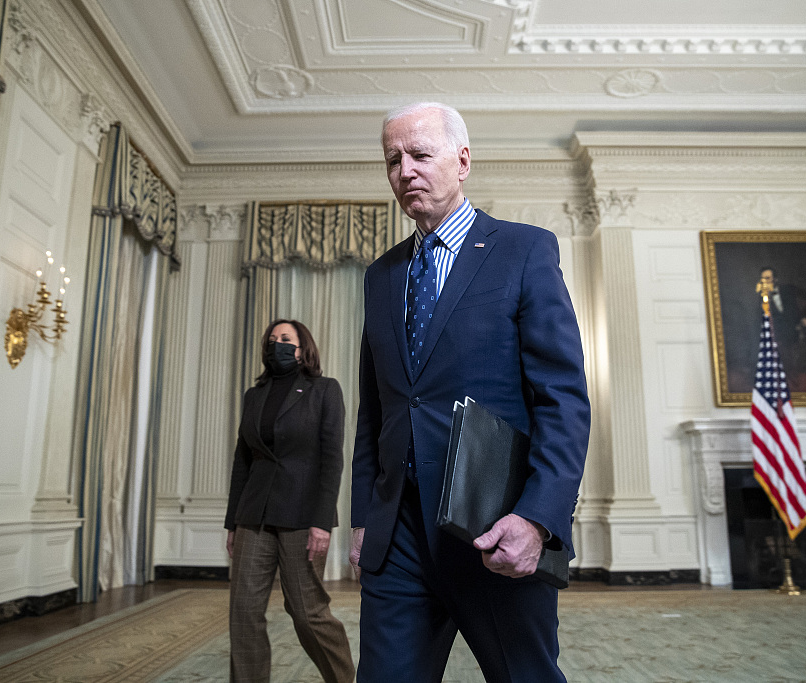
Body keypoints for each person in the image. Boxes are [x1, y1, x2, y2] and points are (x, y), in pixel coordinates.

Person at [349, 102, 590, 682]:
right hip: (398, 537)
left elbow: (562, 400)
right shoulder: (381, 275)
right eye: (393, 160)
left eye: (420, 154)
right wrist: (362, 518)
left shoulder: (524, 250)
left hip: (495, 526)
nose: (405, 170)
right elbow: (375, 411)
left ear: (462, 162)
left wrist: (537, 518)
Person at [225, 319, 355, 683]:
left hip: (303, 515)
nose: (276, 344)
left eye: (285, 338)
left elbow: (332, 459)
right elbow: (242, 462)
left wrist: (322, 521)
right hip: (254, 515)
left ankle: (344, 679)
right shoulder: (254, 396)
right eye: (272, 339)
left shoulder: (324, 390)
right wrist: (232, 523)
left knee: (306, 611)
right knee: (243, 612)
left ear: (302, 349)